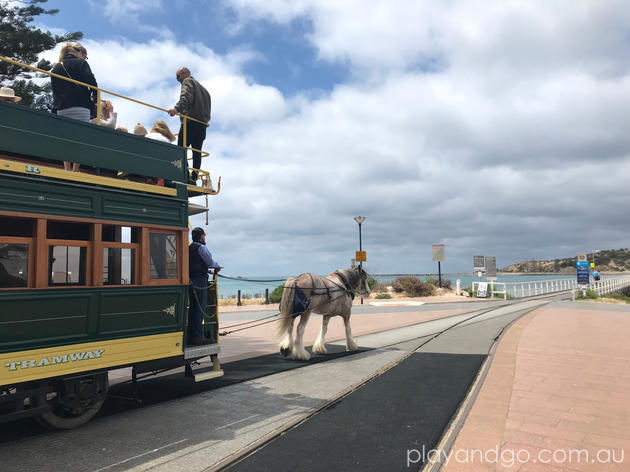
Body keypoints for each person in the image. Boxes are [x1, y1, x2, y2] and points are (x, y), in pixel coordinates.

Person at [51, 42, 98, 172]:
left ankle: (66, 168)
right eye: (85, 56)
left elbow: (55, 91)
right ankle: (75, 169)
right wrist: (95, 102)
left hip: (62, 107)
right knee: (80, 139)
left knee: (65, 139)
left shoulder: (56, 67)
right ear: (80, 53)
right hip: (81, 105)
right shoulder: (81, 63)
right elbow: (93, 83)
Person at [167, 67, 211, 184]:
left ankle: (185, 176)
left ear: (185, 73)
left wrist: (176, 109)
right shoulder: (205, 91)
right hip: (202, 125)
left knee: (181, 150)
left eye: (178, 77)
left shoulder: (188, 81)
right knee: (197, 152)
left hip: (190, 122)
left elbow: (186, 97)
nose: (179, 81)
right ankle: (194, 177)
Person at [188, 227, 221, 345]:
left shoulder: (189, 248)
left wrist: (207, 271)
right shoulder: (201, 248)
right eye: (204, 235)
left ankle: (191, 334)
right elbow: (210, 262)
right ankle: (197, 336)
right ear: (201, 236)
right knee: (200, 308)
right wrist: (217, 267)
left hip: (191, 280)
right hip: (200, 281)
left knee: (193, 308)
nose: (204, 237)